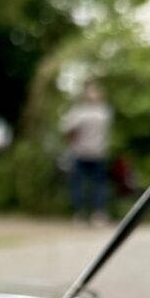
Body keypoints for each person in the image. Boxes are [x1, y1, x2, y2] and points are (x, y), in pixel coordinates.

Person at [60, 82, 113, 224]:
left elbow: (68, 130)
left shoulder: (83, 112)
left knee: (97, 185)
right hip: (82, 153)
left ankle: (96, 214)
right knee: (81, 185)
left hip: (96, 153)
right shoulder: (103, 111)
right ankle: (81, 214)